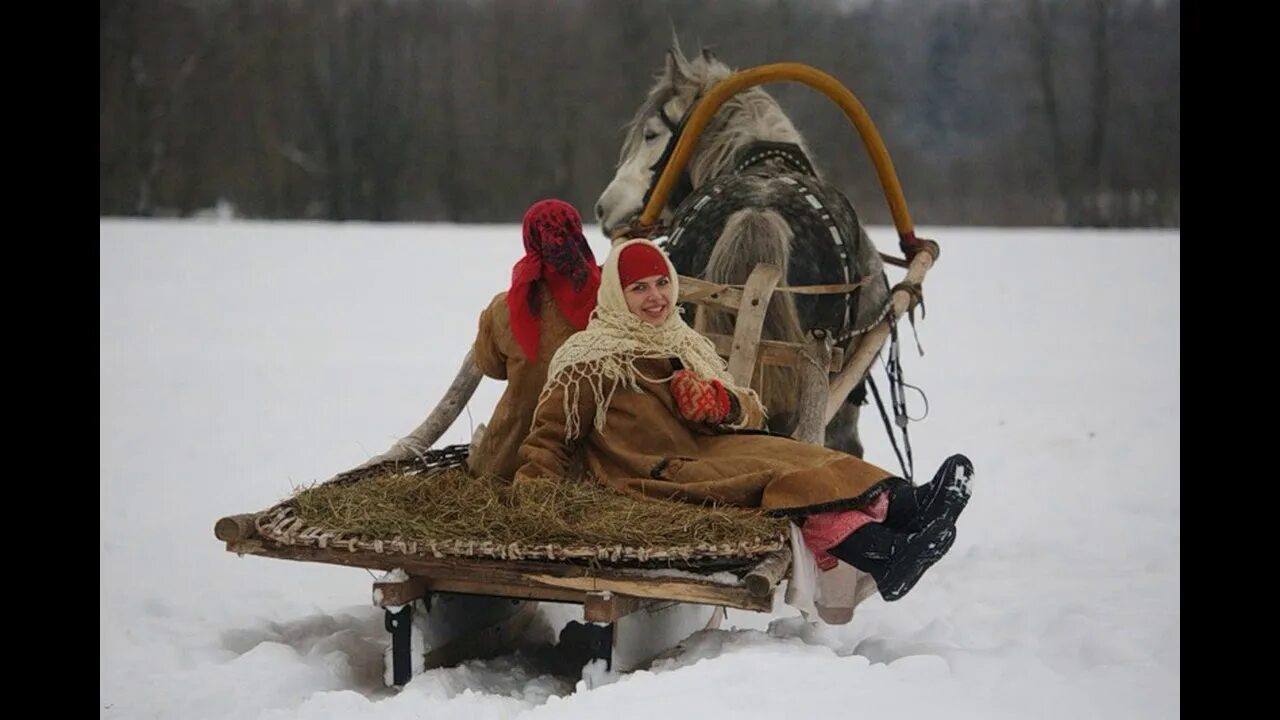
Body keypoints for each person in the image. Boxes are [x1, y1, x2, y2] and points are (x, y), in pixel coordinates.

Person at [514, 238, 971, 601]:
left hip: (707, 448)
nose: (656, 298)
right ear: (617, 294)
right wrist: (538, 505)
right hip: (649, 472)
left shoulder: (681, 340)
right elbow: (551, 437)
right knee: (776, 475)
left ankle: (907, 505)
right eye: (639, 289)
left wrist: (720, 404)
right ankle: (883, 552)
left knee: (799, 452)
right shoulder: (590, 359)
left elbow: (750, 408)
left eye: (661, 283)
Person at [468, 199, 602, 481]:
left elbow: (491, 366)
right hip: (594, 459)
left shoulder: (505, 308)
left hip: (509, 460)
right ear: (578, 233)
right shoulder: (608, 300)